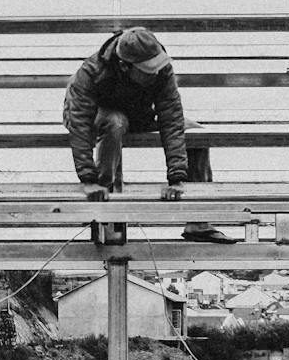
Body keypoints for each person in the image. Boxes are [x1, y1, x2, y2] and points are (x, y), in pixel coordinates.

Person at [62, 26, 232, 244]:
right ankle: (102, 208)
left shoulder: (162, 70)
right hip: (98, 115)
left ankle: (198, 223)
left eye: (157, 66)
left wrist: (177, 178)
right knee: (115, 122)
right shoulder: (91, 72)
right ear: (125, 66)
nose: (156, 72)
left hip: (137, 112)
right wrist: (88, 180)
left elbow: (171, 117)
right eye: (147, 69)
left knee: (194, 132)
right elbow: (79, 123)